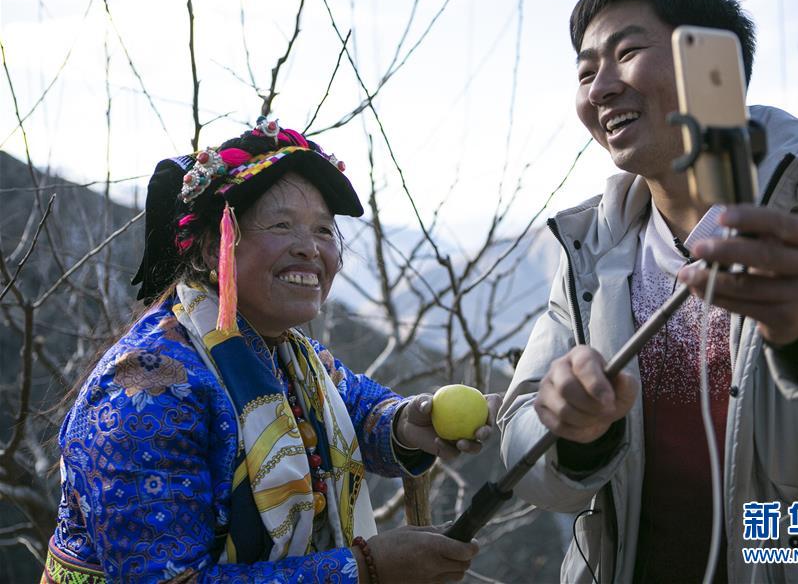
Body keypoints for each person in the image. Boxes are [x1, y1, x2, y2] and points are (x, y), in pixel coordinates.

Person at [498, 0, 798, 582]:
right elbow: (520, 438)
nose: (600, 87)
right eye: (585, 71)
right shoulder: (592, 247)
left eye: (627, 51)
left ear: (715, 65)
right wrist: (572, 434)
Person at [43, 118, 499, 583]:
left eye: (323, 231)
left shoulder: (285, 353)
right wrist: (364, 569)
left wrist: (405, 423)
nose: (309, 249)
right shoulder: (145, 388)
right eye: (281, 224)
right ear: (208, 249)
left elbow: (352, 408)